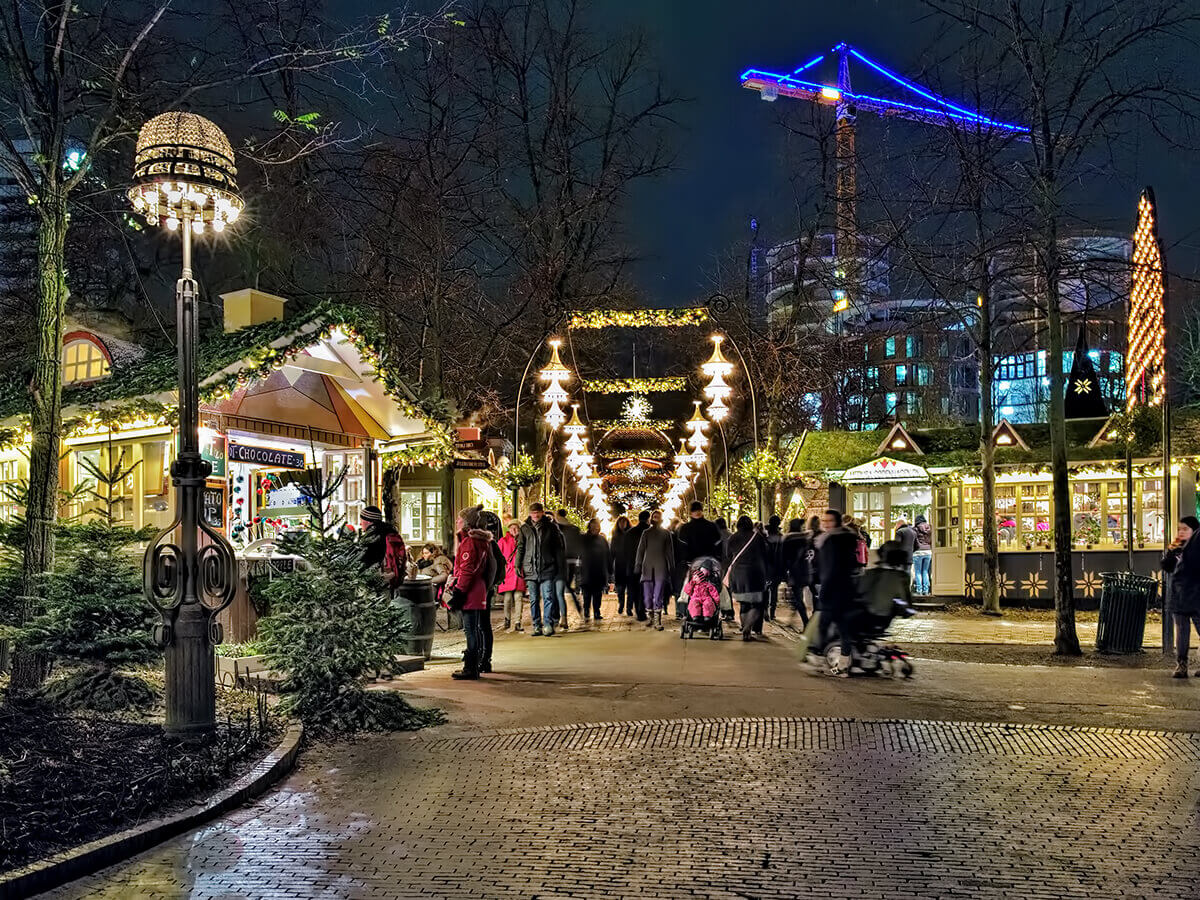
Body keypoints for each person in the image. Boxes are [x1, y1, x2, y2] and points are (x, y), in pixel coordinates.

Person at [447, 505, 496, 680]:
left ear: (467, 522)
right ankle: (477, 664)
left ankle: (471, 667)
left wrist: (459, 591)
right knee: (476, 628)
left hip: (471, 590)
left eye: (460, 519)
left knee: (470, 630)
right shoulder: (481, 541)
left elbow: (467, 569)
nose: (457, 521)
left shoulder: (470, 542)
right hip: (479, 589)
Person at [811, 508, 861, 674]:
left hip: (833, 590)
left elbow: (830, 568)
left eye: (829, 521)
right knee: (842, 627)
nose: (826, 524)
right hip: (846, 589)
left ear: (837, 522)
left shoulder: (832, 541)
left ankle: (818, 659)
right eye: (824, 521)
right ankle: (844, 663)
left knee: (824, 625)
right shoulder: (846, 538)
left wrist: (824, 589)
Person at [516, 502, 565, 636]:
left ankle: (548, 624)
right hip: (530, 568)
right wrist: (517, 565)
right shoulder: (525, 528)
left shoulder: (551, 527)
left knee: (548, 597)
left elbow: (558, 548)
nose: (535, 515)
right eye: (533, 513)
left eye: (538, 512)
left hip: (547, 567)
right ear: (530, 514)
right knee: (533, 599)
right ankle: (537, 625)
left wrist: (560, 565)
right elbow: (521, 547)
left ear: (542, 513)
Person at [1161, 515, 1200, 678]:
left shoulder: (1196, 548)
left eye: (1185, 529)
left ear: (1194, 531)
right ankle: (1181, 664)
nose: (1181, 532)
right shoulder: (1176, 546)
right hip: (1178, 596)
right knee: (1181, 631)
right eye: (1179, 529)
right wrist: (1172, 551)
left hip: (1196, 595)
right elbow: (1167, 567)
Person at [726, 516, 768, 641]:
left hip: (738, 574)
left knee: (743, 604)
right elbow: (764, 555)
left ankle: (745, 629)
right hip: (755, 573)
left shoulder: (732, 538)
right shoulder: (758, 537)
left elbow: (728, 555)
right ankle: (748, 628)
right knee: (757, 604)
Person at [635, 509, 675, 630]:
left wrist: (671, 566)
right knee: (647, 596)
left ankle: (657, 621)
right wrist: (638, 564)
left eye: (658, 516)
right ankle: (651, 617)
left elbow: (669, 551)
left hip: (661, 567)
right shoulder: (646, 533)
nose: (656, 518)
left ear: (661, 518)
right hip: (647, 567)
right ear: (651, 518)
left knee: (658, 595)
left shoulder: (666, 534)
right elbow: (640, 550)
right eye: (654, 516)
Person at [779, 518, 812, 627]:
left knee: (797, 597)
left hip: (794, 571)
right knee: (799, 596)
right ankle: (802, 618)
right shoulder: (805, 538)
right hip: (806, 570)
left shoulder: (788, 538)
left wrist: (784, 572)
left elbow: (783, 557)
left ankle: (805, 621)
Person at [578, 518, 612, 622]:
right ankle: (587, 610)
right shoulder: (583, 538)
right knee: (587, 593)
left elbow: (608, 555)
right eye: (594, 526)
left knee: (597, 593)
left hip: (599, 571)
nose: (596, 529)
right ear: (590, 527)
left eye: (597, 527)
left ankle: (597, 611)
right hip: (586, 570)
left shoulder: (602, 540)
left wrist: (610, 570)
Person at [555, 509, 584, 629]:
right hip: (573, 561)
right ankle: (576, 608)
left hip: (560, 562)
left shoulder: (557, 528)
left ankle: (560, 617)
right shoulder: (574, 529)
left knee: (559, 590)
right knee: (565, 588)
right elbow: (580, 546)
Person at [622, 510, 652, 620]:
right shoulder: (649, 532)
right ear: (648, 519)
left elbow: (624, 551)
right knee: (645, 589)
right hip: (646, 565)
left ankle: (638, 610)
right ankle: (642, 610)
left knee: (634, 589)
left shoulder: (629, 533)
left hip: (632, 566)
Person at [498, 521, 526, 632]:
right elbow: (498, 557)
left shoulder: (523, 540)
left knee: (518, 598)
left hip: (518, 572)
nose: (514, 530)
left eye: (516, 528)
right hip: (508, 573)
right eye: (512, 528)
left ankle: (518, 622)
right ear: (508, 529)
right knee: (508, 598)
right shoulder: (503, 541)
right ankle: (507, 619)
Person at [678, 501, 723, 567]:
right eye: (694, 510)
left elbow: (682, 548)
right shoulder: (711, 526)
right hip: (706, 562)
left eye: (698, 510)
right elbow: (718, 544)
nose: (697, 512)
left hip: (694, 563)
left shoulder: (685, 528)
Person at [359, 505, 398, 571]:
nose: (360, 523)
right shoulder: (390, 531)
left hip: (378, 575)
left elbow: (367, 560)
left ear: (368, 521)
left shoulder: (372, 537)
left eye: (361, 520)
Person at [763, 515, 785, 621]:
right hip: (777, 568)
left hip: (766, 567)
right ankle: (772, 612)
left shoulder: (765, 537)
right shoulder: (781, 537)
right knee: (774, 590)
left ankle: (765, 610)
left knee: (765, 589)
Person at [611, 516, 634, 615]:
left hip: (629, 565)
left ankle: (629, 608)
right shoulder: (615, 535)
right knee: (620, 588)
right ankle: (621, 604)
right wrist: (610, 563)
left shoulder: (631, 534)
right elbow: (612, 551)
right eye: (621, 522)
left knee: (630, 588)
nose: (622, 524)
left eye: (624, 522)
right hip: (619, 565)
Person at [912, 515, 933, 595]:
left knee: (918, 572)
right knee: (925, 571)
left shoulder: (915, 529)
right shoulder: (930, 528)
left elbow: (914, 541)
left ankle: (919, 590)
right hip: (928, 551)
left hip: (918, 552)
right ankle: (926, 590)